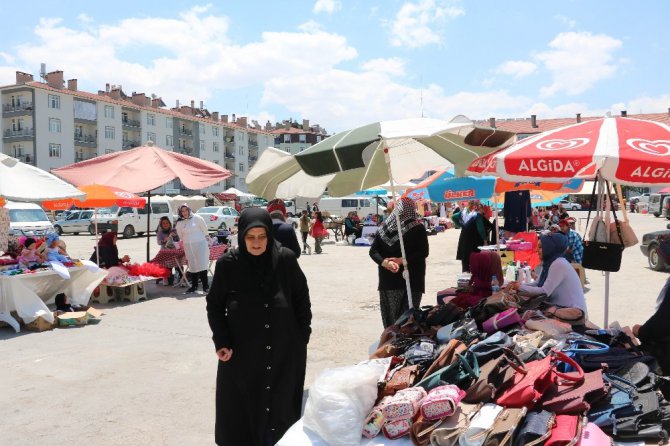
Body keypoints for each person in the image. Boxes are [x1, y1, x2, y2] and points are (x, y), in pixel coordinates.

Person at [206, 208, 312, 446]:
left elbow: (301, 298)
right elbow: (214, 306)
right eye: (250, 237)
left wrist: (301, 336)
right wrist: (221, 341)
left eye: (261, 236)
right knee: (243, 408)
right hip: (242, 351)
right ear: (242, 236)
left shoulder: (285, 259)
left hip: (284, 351)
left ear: (269, 235)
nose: (256, 242)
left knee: (280, 405)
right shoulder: (228, 265)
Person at [369, 197, 429, 327]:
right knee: (407, 323)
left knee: (391, 324)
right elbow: (423, 252)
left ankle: (389, 345)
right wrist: (402, 261)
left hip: (388, 281)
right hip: (411, 280)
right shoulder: (418, 227)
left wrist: (386, 263)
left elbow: (373, 252)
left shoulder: (383, 228)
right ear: (411, 209)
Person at [508, 232, 586, 312]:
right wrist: (518, 286)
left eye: (541, 247)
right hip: (560, 309)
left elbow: (544, 291)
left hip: (572, 313)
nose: (537, 250)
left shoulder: (558, 264)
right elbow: (537, 284)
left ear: (550, 248)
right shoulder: (549, 262)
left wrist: (520, 287)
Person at [175, 204, 211, 293]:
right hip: (188, 245)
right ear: (180, 212)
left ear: (189, 210)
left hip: (200, 244)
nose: (184, 213)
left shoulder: (197, 218)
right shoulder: (179, 223)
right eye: (182, 211)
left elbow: (205, 230)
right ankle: (194, 286)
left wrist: (207, 240)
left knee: (202, 264)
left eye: (186, 210)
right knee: (192, 265)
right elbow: (180, 235)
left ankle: (205, 286)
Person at [456, 202, 494, 272]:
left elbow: (454, 217)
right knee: (476, 263)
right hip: (474, 243)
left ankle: (466, 280)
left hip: (464, 242)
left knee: (466, 263)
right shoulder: (478, 216)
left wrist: (459, 225)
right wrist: (485, 240)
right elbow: (481, 229)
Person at [156, 216, 180, 285]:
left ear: (169, 223)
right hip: (165, 251)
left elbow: (178, 240)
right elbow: (158, 242)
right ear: (161, 225)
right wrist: (164, 240)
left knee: (179, 263)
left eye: (167, 223)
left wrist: (175, 236)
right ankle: (165, 277)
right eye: (163, 223)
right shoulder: (160, 232)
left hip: (173, 251)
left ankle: (178, 276)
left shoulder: (173, 230)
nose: (165, 224)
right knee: (166, 262)